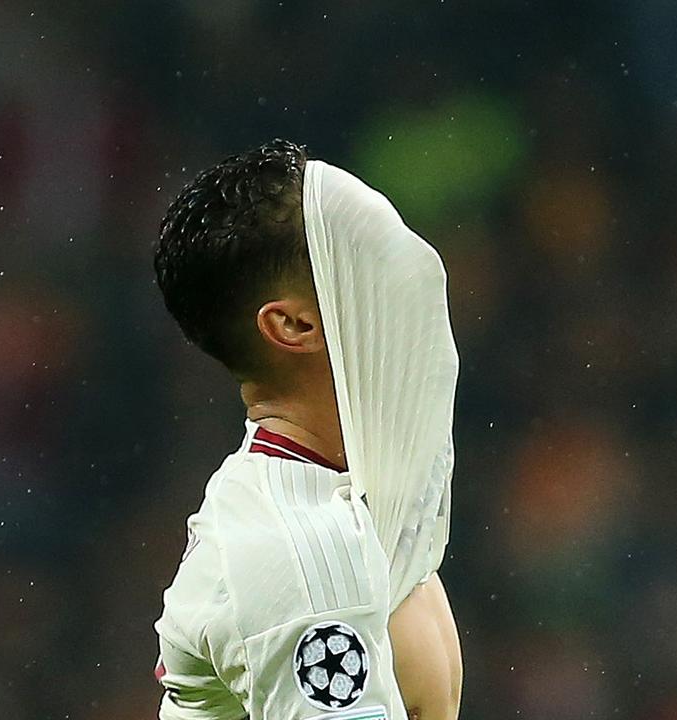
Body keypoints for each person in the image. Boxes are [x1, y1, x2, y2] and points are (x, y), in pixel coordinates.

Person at [152, 140, 462, 720]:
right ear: (294, 324)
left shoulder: (362, 502)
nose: (420, 268)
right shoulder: (303, 553)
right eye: (372, 259)